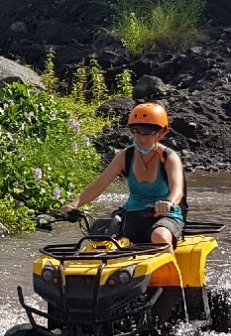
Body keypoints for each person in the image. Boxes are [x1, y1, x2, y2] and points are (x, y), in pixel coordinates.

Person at [59, 102, 185, 246]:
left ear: (162, 133)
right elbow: (100, 185)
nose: (142, 138)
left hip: (165, 215)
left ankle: (172, 267)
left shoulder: (169, 158)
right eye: (138, 131)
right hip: (130, 214)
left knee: (159, 237)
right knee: (102, 241)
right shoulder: (125, 156)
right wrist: (74, 204)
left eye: (148, 133)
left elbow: (177, 191)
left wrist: (169, 203)